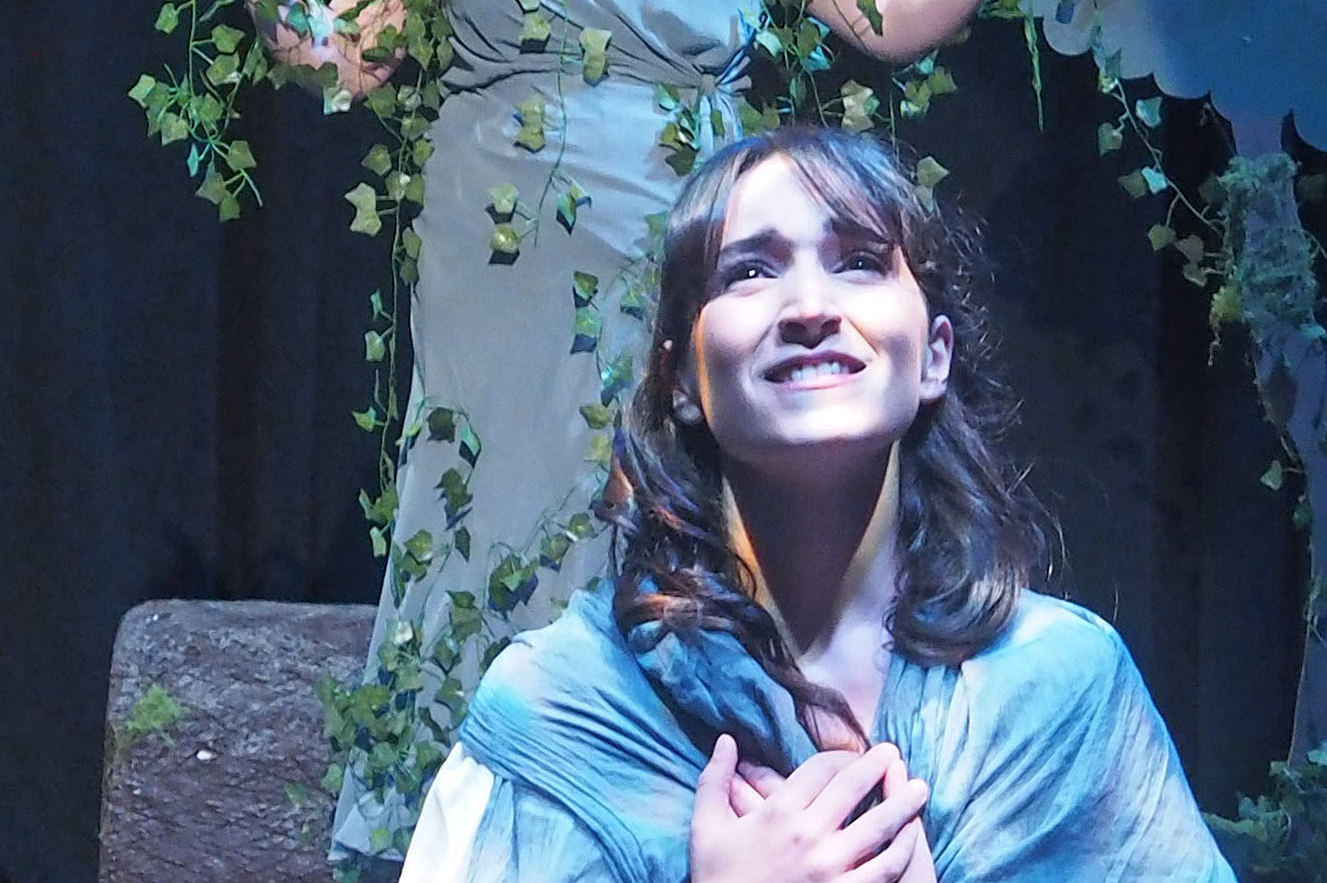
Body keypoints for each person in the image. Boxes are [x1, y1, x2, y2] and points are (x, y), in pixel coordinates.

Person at [162, 0, 1049, 859]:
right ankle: (477, 832)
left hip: (691, 251)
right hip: (499, 253)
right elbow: (345, 54)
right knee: (506, 507)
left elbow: (886, 17)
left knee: (670, 505)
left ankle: (686, 825)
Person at [401, 125, 1237, 881]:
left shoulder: (1061, 693)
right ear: (682, 381)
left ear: (933, 356)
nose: (809, 308)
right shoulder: (560, 711)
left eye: (859, 261)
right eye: (751, 271)